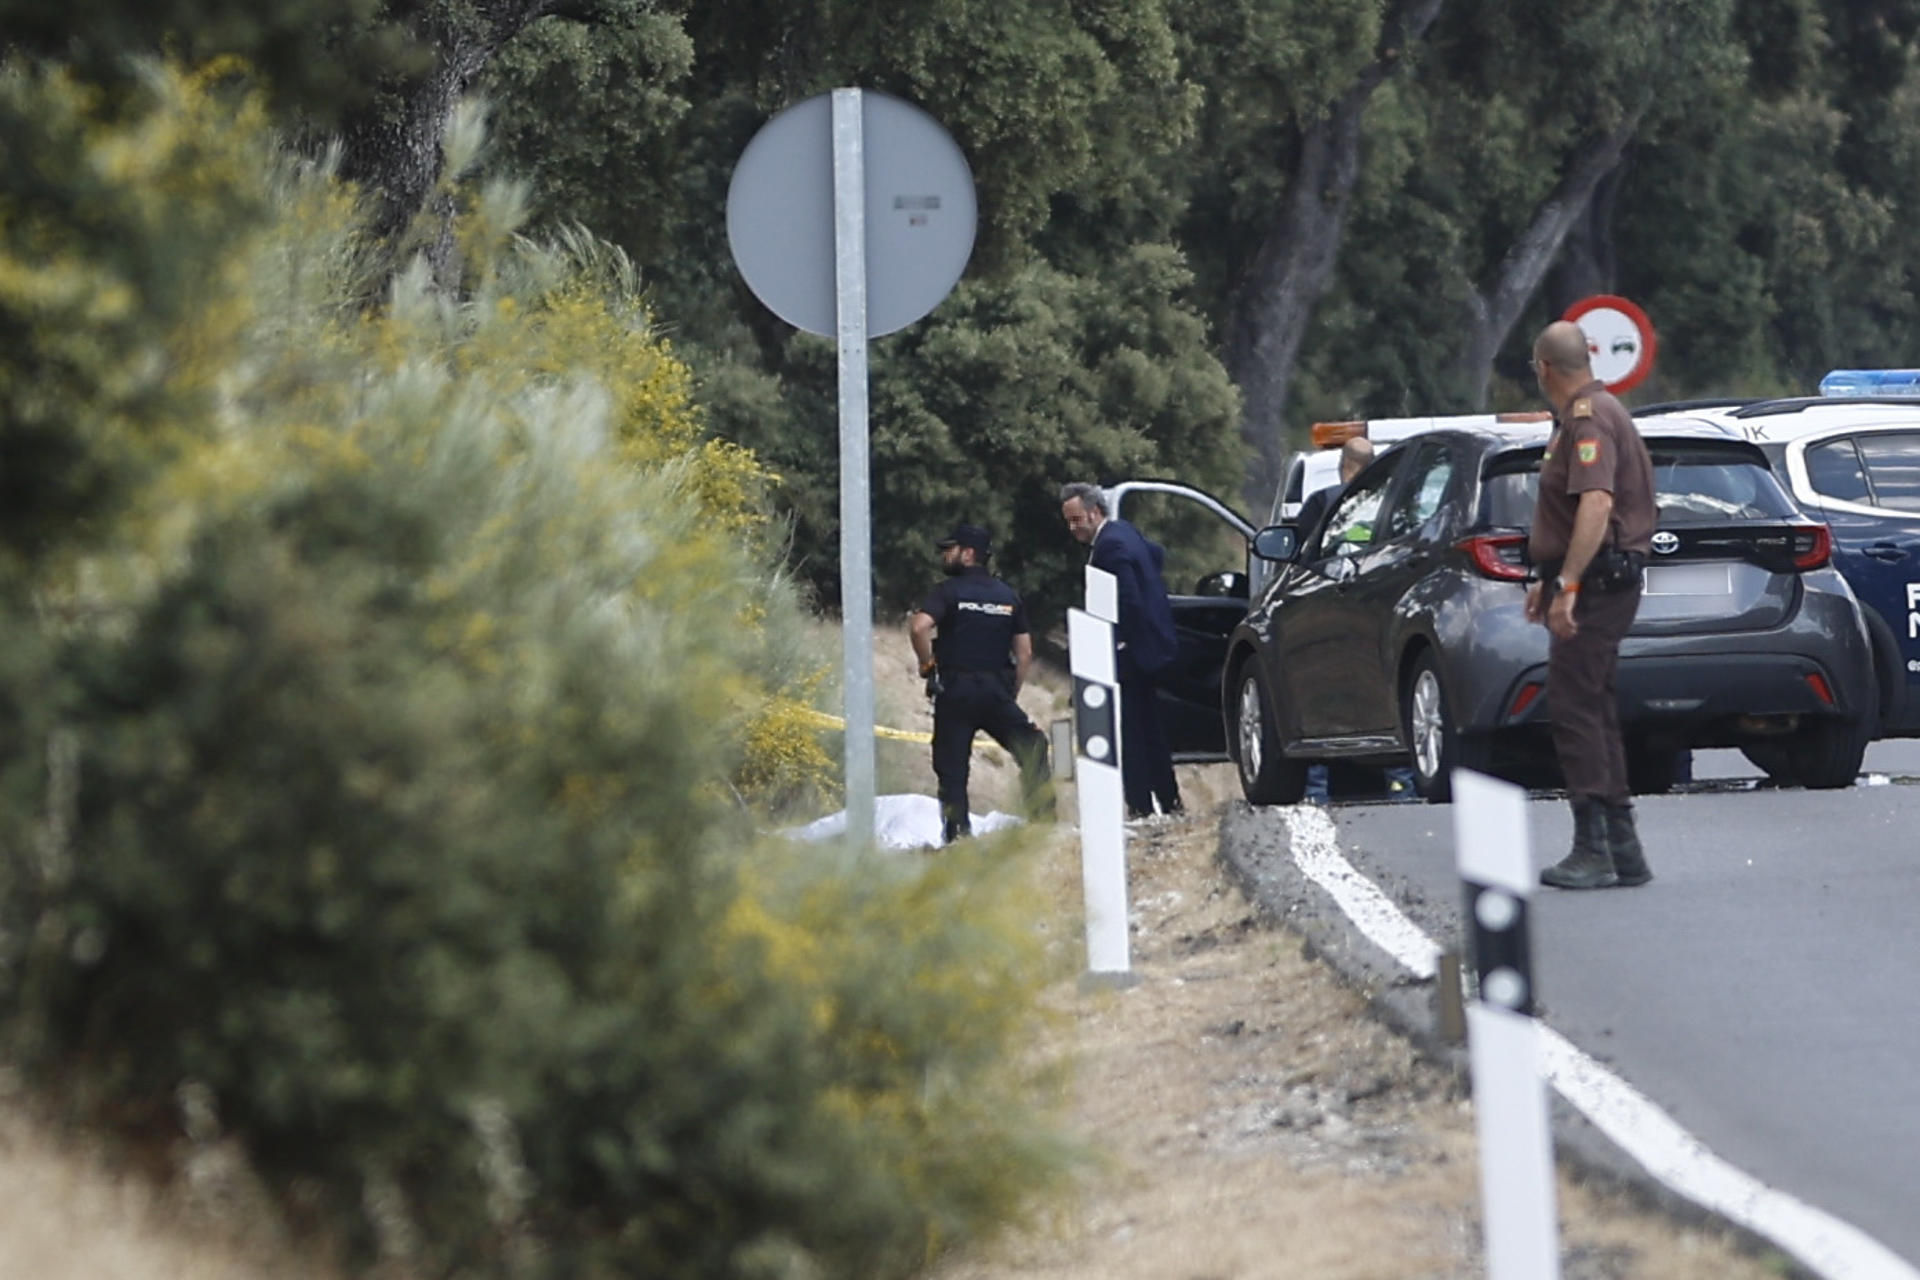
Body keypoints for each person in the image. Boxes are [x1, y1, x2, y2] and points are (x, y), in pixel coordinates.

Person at [1525, 320, 1657, 889]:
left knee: (1574, 707)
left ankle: (1593, 848)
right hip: (1595, 579)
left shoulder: (1589, 418)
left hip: (1599, 582)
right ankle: (1623, 848)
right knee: (1594, 705)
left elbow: (1596, 503)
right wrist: (1548, 575)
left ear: (1543, 367)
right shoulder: (1592, 413)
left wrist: (1570, 584)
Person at [909, 523, 1051, 845]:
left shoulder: (948, 591)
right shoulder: (1008, 595)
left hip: (955, 691)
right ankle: (1043, 825)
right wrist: (1009, 693)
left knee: (952, 768)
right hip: (995, 691)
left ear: (968, 553)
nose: (946, 555)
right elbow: (1025, 652)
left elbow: (919, 627)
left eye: (951, 549)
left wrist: (927, 665)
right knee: (1032, 747)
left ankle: (958, 839)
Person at [1291, 437, 1413, 803]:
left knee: (1318, 700)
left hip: (1327, 620)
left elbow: (1301, 560)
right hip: (1377, 620)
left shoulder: (1324, 503)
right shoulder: (1395, 504)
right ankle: (1404, 788)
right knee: (1387, 699)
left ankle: (1316, 794)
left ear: (1343, 466)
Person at [1059, 482, 1184, 820]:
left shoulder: (1109, 548)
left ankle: (1140, 806)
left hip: (1131, 654)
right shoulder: (1125, 532)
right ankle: (1170, 802)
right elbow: (1156, 554)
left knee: (1131, 734)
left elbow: (1125, 599)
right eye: (1069, 522)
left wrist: (1116, 641)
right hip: (1152, 648)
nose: (1073, 529)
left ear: (1095, 512)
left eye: (1077, 520)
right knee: (1152, 731)